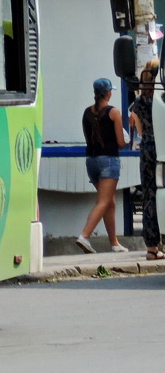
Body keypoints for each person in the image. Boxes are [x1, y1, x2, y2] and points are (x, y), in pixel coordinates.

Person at [76, 77, 129, 254]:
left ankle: (114, 243)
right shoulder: (113, 113)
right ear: (107, 92)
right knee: (103, 201)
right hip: (108, 160)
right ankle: (85, 236)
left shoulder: (86, 112)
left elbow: (88, 138)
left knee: (110, 202)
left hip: (91, 160)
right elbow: (121, 143)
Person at [130, 59, 162, 259]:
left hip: (148, 149)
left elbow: (140, 131)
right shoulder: (162, 98)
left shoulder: (139, 103)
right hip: (163, 147)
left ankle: (151, 247)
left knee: (149, 195)